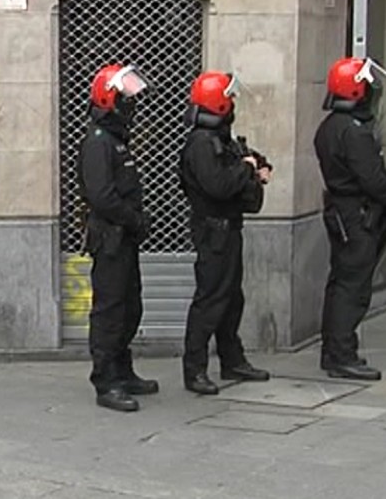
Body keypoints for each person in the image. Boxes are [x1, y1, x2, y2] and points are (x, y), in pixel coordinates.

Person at [178, 71, 272, 395]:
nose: (232, 104)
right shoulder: (201, 143)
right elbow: (218, 185)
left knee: (231, 299)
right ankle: (195, 370)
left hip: (228, 230)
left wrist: (256, 164)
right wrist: (246, 169)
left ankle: (232, 360)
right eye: (228, 98)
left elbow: (238, 163)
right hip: (213, 232)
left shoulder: (220, 139)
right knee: (210, 301)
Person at [77, 63, 159, 412]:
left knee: (130, 305)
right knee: (110, 310)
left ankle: (123, 371)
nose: (133, 106)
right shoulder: (99, 143)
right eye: (127, 99)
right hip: (110, 237)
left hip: (123, 236)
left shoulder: (115, 140)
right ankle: (106, 380)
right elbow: (102, 196)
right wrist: (133, 219)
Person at [314, 56, 386, 381]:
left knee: (339, 283)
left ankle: (333, 351)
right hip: (356, 215)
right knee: (352, 287)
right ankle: (342, 355)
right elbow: (372, 179)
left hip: (341, 211)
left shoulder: (330, 127)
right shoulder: (354, 132)